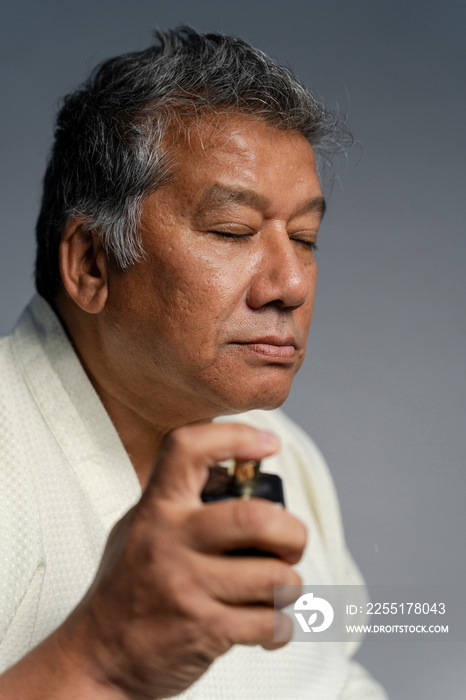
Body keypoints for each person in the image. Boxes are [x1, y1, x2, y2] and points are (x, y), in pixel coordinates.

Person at [0, 27, 387, 699]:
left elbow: (332, 678)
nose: (291, 284)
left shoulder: (284, 458)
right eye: (233, 232)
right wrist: (98, 661)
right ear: (92, 263)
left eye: (305, 238)